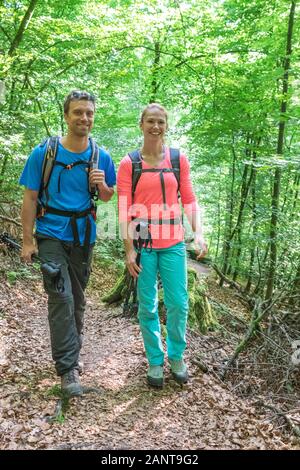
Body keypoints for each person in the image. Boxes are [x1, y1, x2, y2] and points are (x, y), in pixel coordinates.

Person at [19, 90, 116, 396]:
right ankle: (67, 371)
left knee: (78, 300)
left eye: (88, 112)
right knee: (61, 299)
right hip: (50, 234)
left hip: (84, 237)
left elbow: (108, 198)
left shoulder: (102, 156)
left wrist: (102, 185)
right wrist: (26, 241)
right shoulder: (44, 153)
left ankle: (71, 356)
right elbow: (30, 198)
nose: (84, 118)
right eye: (77, 112)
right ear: (66, 115)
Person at [117, 103, 208, 388]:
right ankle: (155, 361)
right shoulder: (129, 163)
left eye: (161, 122)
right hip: (143, 241)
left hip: (173, 242)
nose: (156, 127)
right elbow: (123, 208)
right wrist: (129, 249)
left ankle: (177, 355)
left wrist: (199, 233)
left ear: (166, 126)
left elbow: (189, 199)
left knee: (179, 304)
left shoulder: (178, 160)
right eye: (151, 121)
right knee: (147, 307)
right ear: (141, 124)